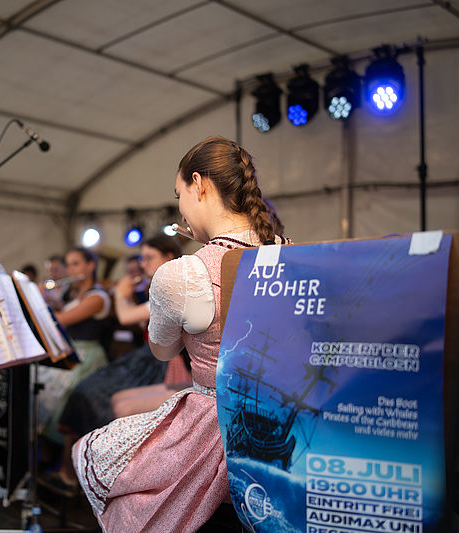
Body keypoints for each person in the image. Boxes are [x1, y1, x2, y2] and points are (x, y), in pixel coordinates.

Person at [73, 136, 290, 532]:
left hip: (216, 427)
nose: (181, 208)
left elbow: (162, 350)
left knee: (96, 452)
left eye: (179, 195)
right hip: (283, 424)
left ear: (199, 184)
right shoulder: (288, 251)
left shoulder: (183, 273)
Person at [50, 235, 182, 489]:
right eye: (142, 258)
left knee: (96, 397)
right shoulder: (157, 287)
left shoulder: (173, 287)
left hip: (163, 363)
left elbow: (125, 317)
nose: (143, 264)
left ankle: (97, 474)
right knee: (88, 392)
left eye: (149, 258)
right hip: (148, 357)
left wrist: (121, 295)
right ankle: (77, 467)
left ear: (169, 258)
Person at [38, 248, 110, 454]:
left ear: (91, 266)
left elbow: (61, 320)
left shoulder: (98, 297)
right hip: (70, 350)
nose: (70, 270)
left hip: (86, 356)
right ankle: (45, 449)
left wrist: (36, 299)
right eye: (68, 264)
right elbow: (65, 310)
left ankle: (60, 454)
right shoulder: (74, 294)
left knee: (59, 394)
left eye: (76, 264)